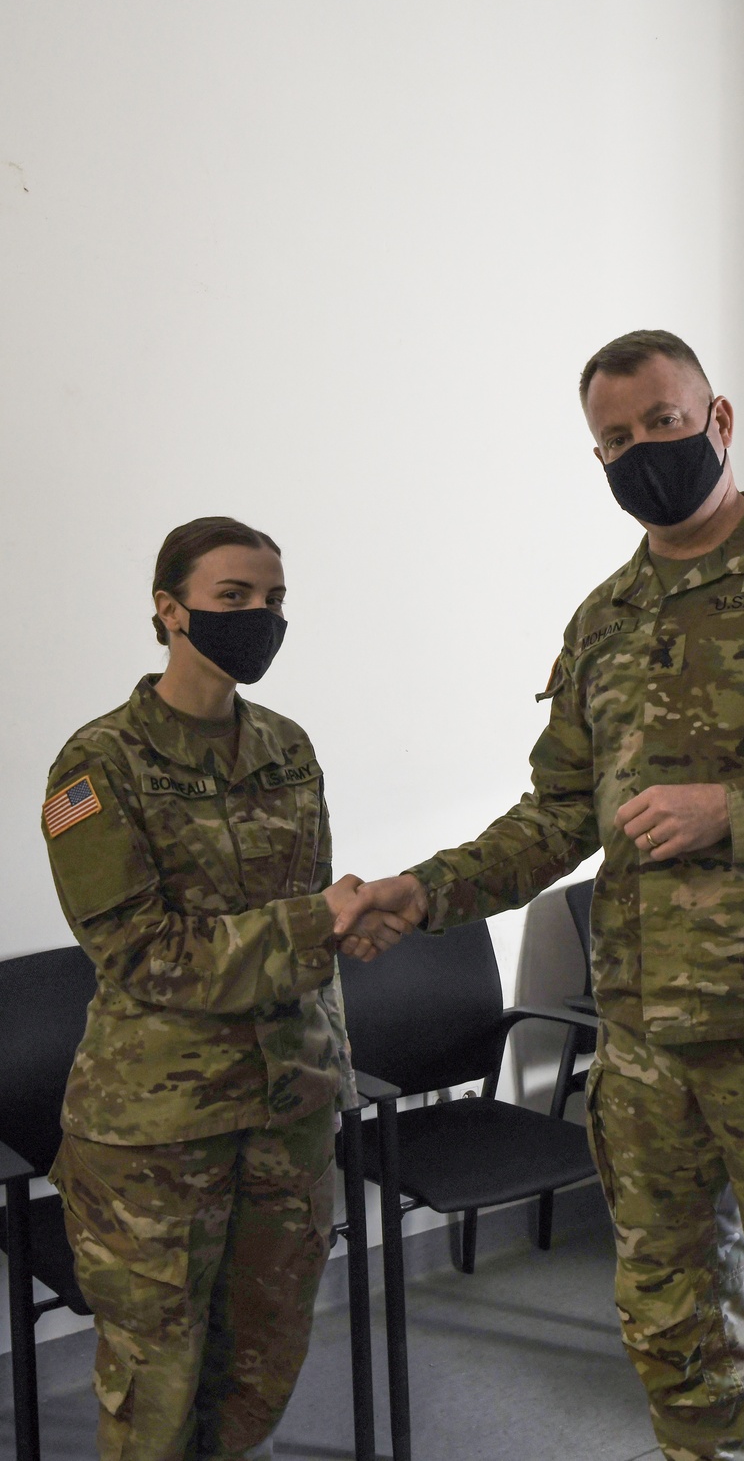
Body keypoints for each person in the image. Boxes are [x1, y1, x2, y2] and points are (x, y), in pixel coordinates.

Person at [333, 331, 744, 1460]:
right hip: (642, 1039)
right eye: (615, 441)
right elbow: (554, 817)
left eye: (661, 425)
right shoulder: (607, 618)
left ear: (717, 420)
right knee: (674, 1334)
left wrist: (736, 810)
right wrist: (419, 892)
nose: (642, 453)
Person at [42, 516, 406, 1461]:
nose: (260, 617)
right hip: (158, 1133)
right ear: (170, 611)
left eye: (275, 600)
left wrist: (348, 928)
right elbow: (136, 949)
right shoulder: (96, 766)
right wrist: (311, 925)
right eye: (233, 598)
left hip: (290, 1104)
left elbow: (303, 908)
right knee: (157, 1390)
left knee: (262, 1365)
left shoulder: (288, 747)